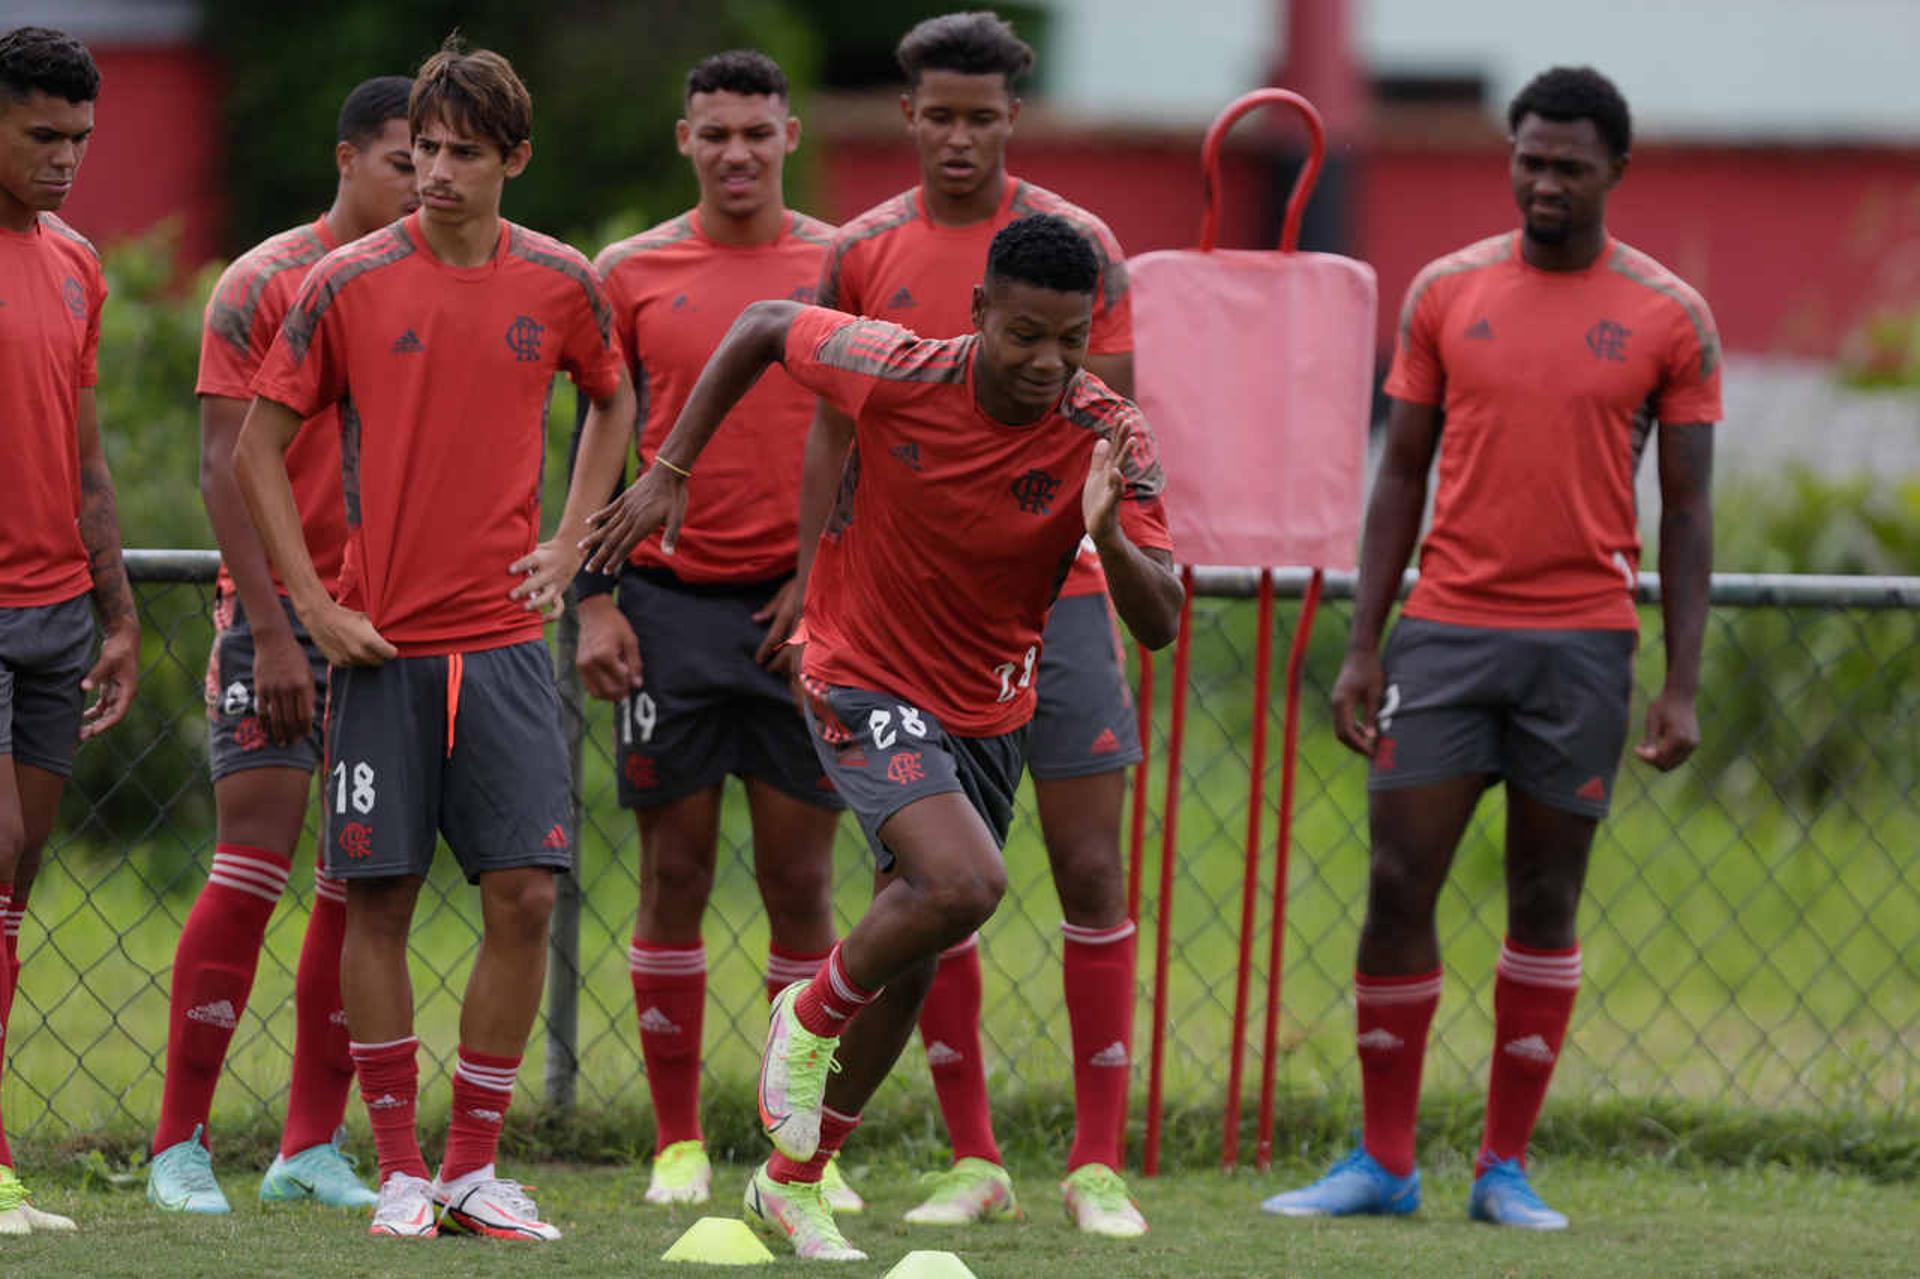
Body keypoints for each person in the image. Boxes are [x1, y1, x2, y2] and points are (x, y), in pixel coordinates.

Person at [583, 213, 1183, 1262]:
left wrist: (1107, 539)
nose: (1048, 362)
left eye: (1071, 339)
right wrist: (671, 465)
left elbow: (1164, 618)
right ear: (978, 313)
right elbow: (767, 323)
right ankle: (807, 1021)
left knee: (916, 944)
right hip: (859, 671)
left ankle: (792, 1183)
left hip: (989, 705)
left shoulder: (1111, 433)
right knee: (967, 883)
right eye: (1025, 334)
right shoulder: (895, 365)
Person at [1261, 66, 1718, 1231]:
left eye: (1569, 164)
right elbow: (1399, 472)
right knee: (1398, 879)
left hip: (1583, 647)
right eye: (1530, 159)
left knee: (1545, 894)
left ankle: (1503, 1168)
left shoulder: (1670, 315)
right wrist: (1364, 647)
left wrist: (1679, 681)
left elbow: (1689, 511)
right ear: (1509, 157)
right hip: (1447, 632)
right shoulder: (1446, 291)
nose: (1545, 181)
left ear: (1617, 170)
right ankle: (1383, 1161)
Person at [234, 38, 636, 1241]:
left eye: (465, 154)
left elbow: (612, 395)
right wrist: (312, 605)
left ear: (515, 157)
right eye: (425, 152)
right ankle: (402, 1171)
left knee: (523, 896)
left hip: (510, 645)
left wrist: (577, 545)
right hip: (383, 649)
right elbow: (256, 446)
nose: (437, 175)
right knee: (379, 895)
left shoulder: (563, 280)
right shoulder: (344, 282)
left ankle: (473, 1171)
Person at [794, 11, 1149, 1234]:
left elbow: (1106, 435)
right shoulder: (858, 247)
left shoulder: (1085, 246)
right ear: (907, 114)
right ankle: (972, 1155)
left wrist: (1106, 533)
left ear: (1014, 119)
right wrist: (804, 577)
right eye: (937, 114)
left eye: (981, 117)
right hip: (916, 613)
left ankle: (1096, 1166)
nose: (958, 136)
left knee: (1087, 866)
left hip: (1068, 597)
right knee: (942, 879)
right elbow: (833, 423)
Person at [577, 49, 859, 1212]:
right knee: (674, 872)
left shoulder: (842, 261)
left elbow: (868, 431)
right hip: (665, 613)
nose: (736, 151)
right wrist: (589, 595)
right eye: (715, 133)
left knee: (804, 885)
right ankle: (679, 1142)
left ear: (791, 135)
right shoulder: (627, 270)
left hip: (804, 617)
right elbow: (596, 439)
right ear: (684, 140)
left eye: (757, 131)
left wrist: (823, 579)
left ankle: (803, 1147)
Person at [146, 74, 418, 1217]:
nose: (427, 179)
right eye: (407, 157)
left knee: (358, 887)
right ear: (347, 157)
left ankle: (309, 1147)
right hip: (278, 621)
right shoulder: (262, 279)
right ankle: (178, 1146)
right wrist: (273, 630)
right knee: (250, 869)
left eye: (442, 158)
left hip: (391, 620)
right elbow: (223, 468)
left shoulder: (427, 275)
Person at [0, 24, 140, 1238]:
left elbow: (88, 459)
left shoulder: (77, 263)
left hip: (53, 610)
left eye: (79, 140)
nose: (65, 160)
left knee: (14, 886)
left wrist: (118, 608)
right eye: (41, 135)